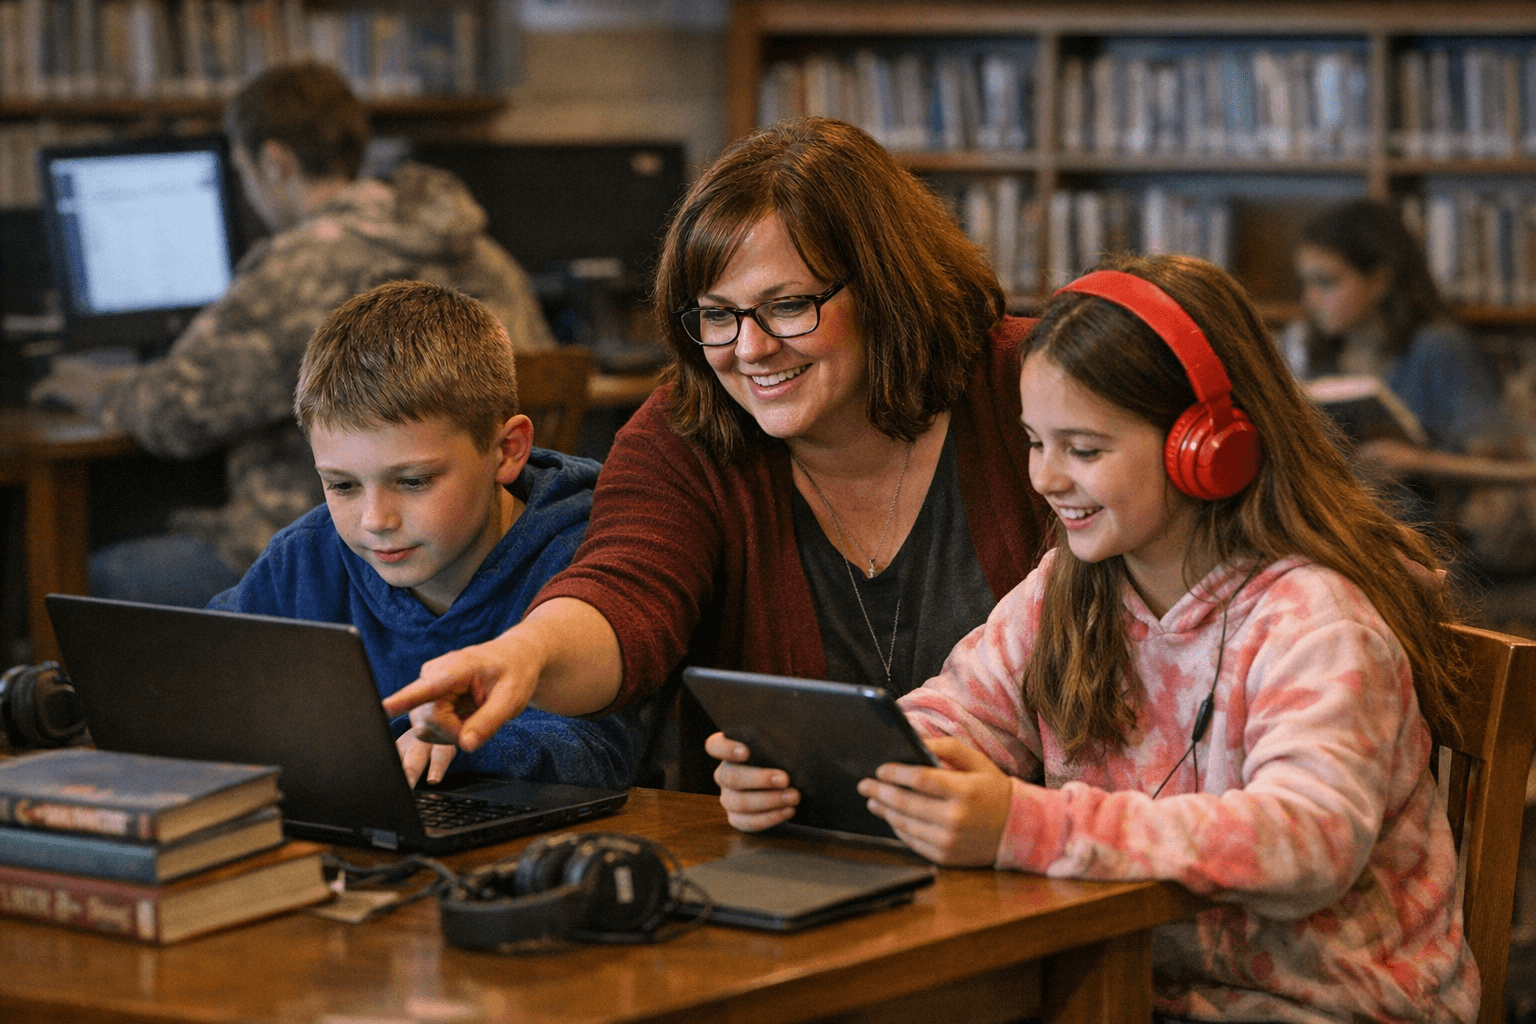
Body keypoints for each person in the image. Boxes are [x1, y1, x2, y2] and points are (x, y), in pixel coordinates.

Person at [714, 254, 1478, 1023]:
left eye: (1083, 450)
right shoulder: (1067, 589)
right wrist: (818, 771)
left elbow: (1307, 841)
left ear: (1209, 448)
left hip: (1334, 1008)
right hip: (1127, 993)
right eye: (1035, 443)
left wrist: (1023, 824)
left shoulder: (1315, 622)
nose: (1044, 478)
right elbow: (953, 717)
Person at [380, 116, 1052, 764]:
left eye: (788, 305)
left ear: (884, 287)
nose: (750, 349)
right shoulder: (682, 434)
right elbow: (625, 593)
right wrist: (523, 656)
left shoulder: (1030, 385)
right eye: (717, 315)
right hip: (791, 856)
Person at [30, 61, 556, 608]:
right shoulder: (481, 249)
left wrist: (92, 387)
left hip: (331, 551)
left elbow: (174, 413)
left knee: (90, 577)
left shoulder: (297, 267)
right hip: (498, 554)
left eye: (242, 169)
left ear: (274, 163)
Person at [209, 281, 648, 791]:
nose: (376, 519)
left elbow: (601, 757)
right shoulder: (305, 559)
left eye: (413, 481)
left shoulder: (585, 555)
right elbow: (207, 673)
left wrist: (459, 742)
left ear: (507, 451)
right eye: (342, 485)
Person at [1287, 198, 1536, 577]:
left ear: (1381, 280)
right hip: (1351, 530)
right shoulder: (1321, 360)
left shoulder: (1436, 349)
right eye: (1305, 283)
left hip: (1439, 542)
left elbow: (1515, 468)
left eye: (1327, 282)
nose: (1311, 299)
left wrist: (1418, 461)